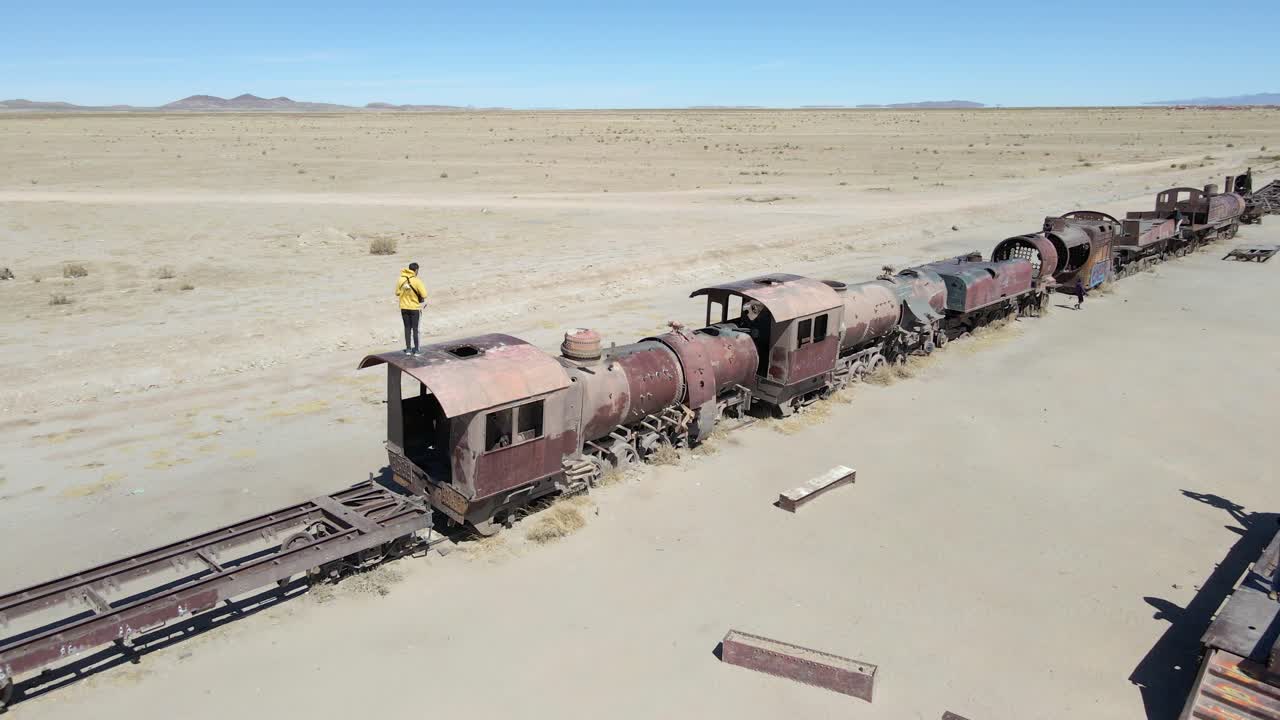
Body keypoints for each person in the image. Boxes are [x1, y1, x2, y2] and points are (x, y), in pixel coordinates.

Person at [396, 262, 427, 354]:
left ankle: (408, 349)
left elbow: (397, 293)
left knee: (407, 328)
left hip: (404, 307)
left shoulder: (400, 279)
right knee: (415, 329)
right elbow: (424, 294)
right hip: (414, 308)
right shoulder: (417, 281)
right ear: (416, 270)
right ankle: (417, 350)